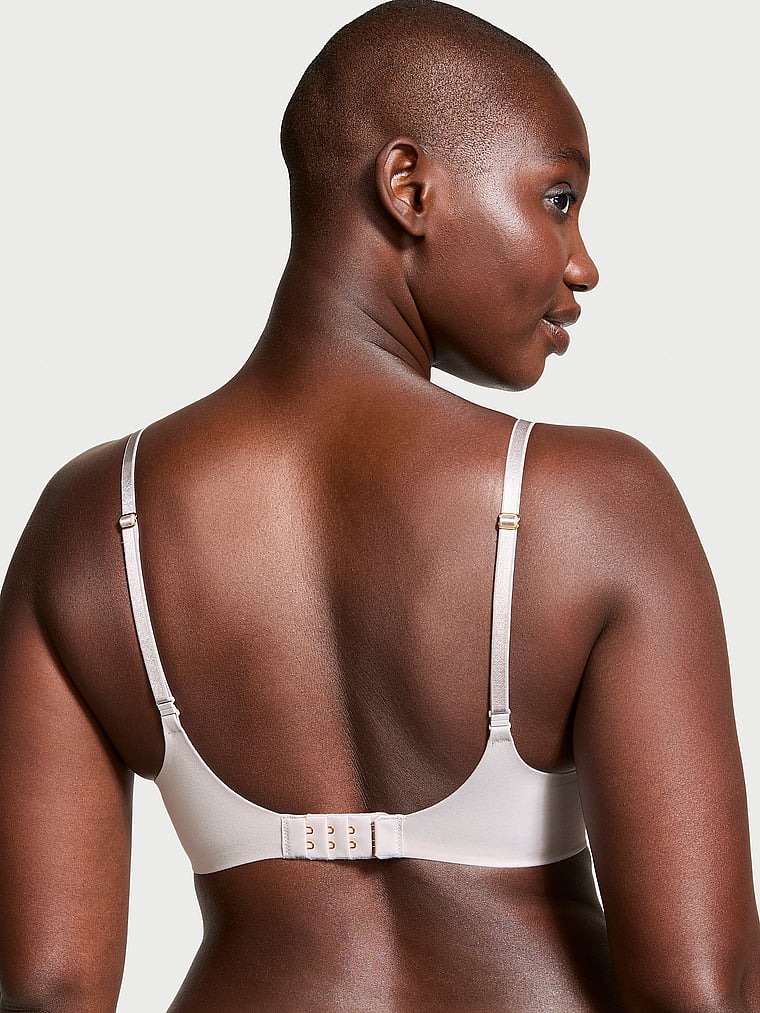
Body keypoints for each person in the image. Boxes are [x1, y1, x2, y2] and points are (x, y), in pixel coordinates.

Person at [1, 0, 758, 1009]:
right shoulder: (598, 507)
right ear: (409, 188)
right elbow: (704, 991)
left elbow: (48, 988)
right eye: (558, 198)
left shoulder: (91, 523)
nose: (582, 263)